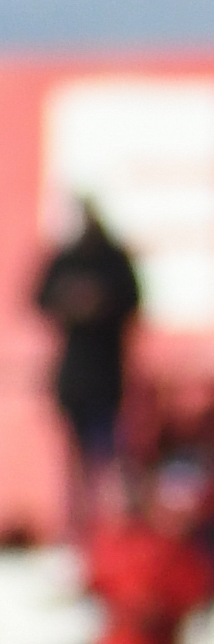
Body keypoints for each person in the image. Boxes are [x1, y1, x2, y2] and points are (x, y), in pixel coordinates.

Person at [31, 200, 141, 484]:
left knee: (105, 450)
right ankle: (80, 516)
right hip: (74, 373)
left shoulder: (112, 261)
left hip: (106, 371)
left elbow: (131, 301)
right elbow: (39, 298)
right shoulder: (66, 259)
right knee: (74, 454)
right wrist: (69, 300)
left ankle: (104, 516)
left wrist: (100, 302)